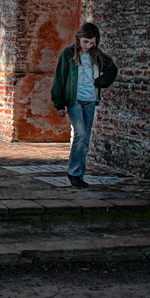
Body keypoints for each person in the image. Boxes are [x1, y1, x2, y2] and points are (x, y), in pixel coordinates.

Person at [51, 22, 118, 188]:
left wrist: (100, 82)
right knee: (80, 134)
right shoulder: (67, 55)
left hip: (90, 100)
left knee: (86, 139)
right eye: (86, 42)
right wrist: (59, 104)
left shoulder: (97, 56)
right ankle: (73, 173)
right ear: (79, 38)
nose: (88, 45)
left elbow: (112, 70)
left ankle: (79, 174)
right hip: (74, 101)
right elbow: (59, 80)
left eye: (92, 43)